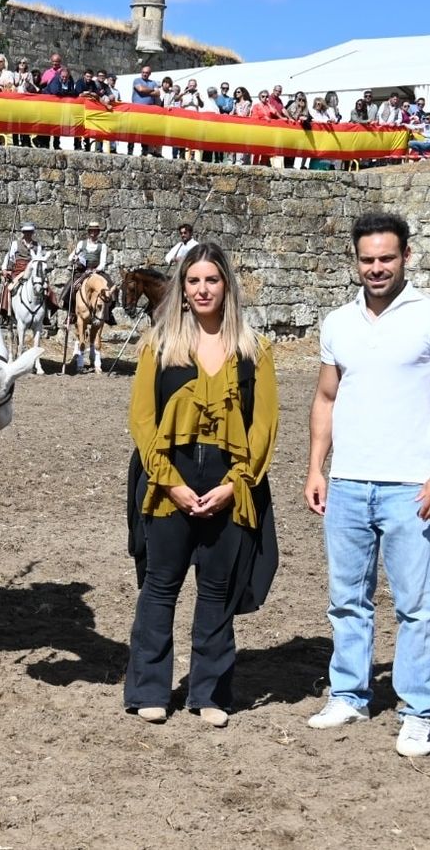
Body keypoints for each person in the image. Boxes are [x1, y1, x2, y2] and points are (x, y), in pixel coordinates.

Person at [304, 212, 430, 759]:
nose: (376, 268)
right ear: (355, 260)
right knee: (346, 600)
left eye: (386, 258)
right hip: (349, 483)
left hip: (411, 487)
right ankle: (350, 693)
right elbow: (327, 398)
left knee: (418, 604)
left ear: (405, 257)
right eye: (367, 259)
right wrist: (316, 467)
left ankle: (418, 710)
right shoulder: (338, 323)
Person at [125, 243, 278, 728]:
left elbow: (264, 426)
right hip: (171, 478)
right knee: (160, 587)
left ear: (226, 285)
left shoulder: (254, 349)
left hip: (228, 485)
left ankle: (209, 692)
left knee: (216, 591)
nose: (202, 289)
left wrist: (237, 484)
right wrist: (168, 482)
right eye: (193, 281)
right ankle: (149, 689)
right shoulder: (159, 344)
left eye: (211, 280)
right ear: (182, 288)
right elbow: (143, 420)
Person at [59, 220, 114, 326]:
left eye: (95, 231)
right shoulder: (81, 244)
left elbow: (102, 263)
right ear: (89, 232)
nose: (93, 233)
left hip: (96, 271)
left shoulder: (102, 246)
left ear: (98, 232)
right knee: (71, 286)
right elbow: (70, 257)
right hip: (82, 271)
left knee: (110, 288)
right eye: (91, 231)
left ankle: (108, 314)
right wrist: (74, 258)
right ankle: (71, 313)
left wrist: (95, 270)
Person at [0, 222, 47, 317]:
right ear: (23, 232)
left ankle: (45, 315)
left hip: (33, 272)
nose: (28, 234)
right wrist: (5, 269)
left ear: (32, 233)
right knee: (8, 287)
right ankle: (6, 313)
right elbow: (9, 257)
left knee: (45, 288)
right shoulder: (15, 244)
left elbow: (40, 259)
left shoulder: (38, 246)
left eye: (30, 232)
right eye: (26, 232)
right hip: (18, 272)